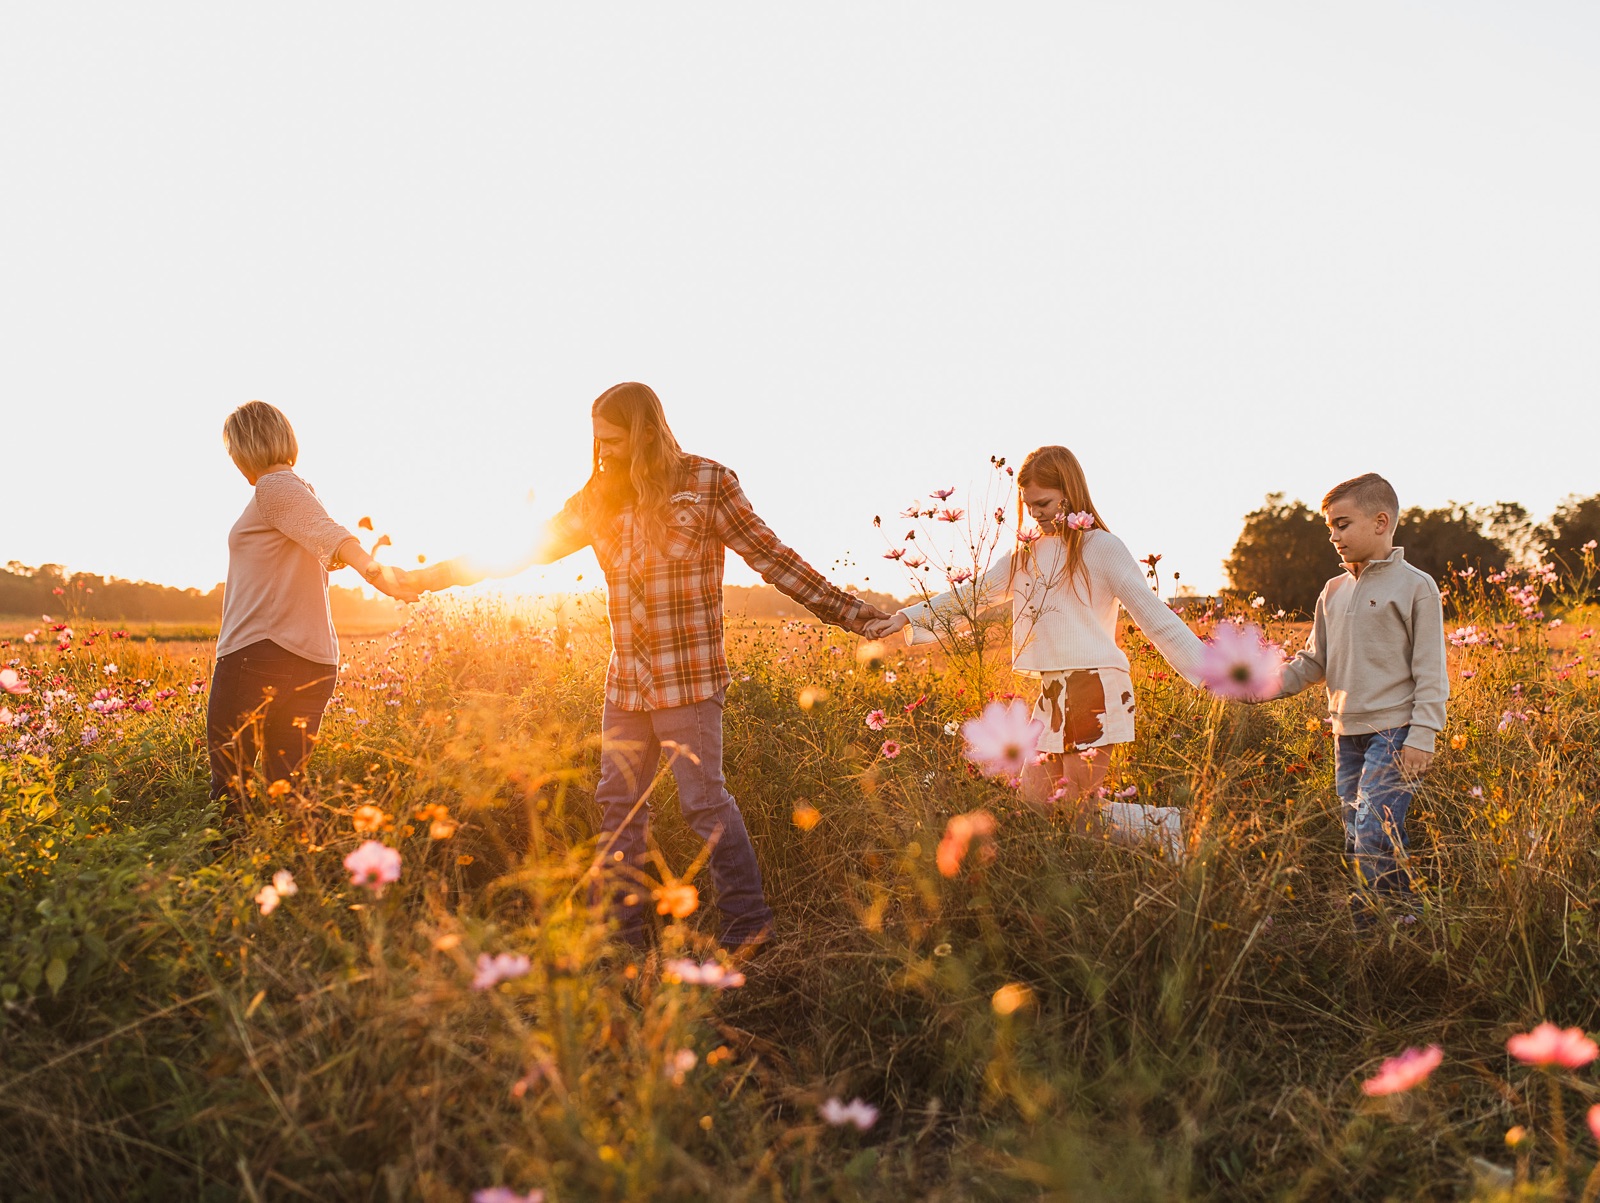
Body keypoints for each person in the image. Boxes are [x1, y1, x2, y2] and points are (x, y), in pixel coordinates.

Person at [425, 382, 892, 950]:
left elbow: (774, 559)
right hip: (626, 685)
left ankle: (749, 929)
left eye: (614, 442)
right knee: (617, 809)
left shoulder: (708, 483)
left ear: (646, 431)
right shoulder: (597, 498)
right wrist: (429, 578)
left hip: (689, 681)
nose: (604, 454)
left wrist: (857, 616)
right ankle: (623, 939)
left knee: (703, 803)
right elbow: (521, 548)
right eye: (597, 444)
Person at [871, 445, 1207, 827]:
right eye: (1029, 505)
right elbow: (973, 595)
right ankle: (1171, 829)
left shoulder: (1103, 548)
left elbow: (1155, 617)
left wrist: (1213, 672)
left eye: (1044, 502)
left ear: (1070, 492)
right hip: (1053, 691)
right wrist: (906, 617)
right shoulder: (1026, 555)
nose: (1035, 513)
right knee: (1034, 804)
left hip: (1094, 687)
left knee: (1081, 813)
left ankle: (1177, 831)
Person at [209, 401, 418, 821]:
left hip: (258, 656)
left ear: (244, 447)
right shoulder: (298, 490)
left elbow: (332, 536)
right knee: (287, 795)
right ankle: (296, 877)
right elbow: (331, 539)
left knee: (231, 793)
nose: (234, 462)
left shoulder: (273, 488)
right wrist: (371, 567)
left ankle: (232, 878)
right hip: (311, 662)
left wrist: (374, 572)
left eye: (233, 451)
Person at [1259, 472, 1448, 899]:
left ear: (1380, 522)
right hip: (1346, 735)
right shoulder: (1332, 590)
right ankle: (1377, 926)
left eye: (1342, 525)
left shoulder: (1416, 587)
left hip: (1395, 733)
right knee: (1355, 834)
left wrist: (1423, 733)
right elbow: (1313, 661)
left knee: (1375, 832)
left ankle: (1398, 922)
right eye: (1329, 528)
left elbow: (1431, 670)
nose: (1333, 537)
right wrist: (1266, 686)